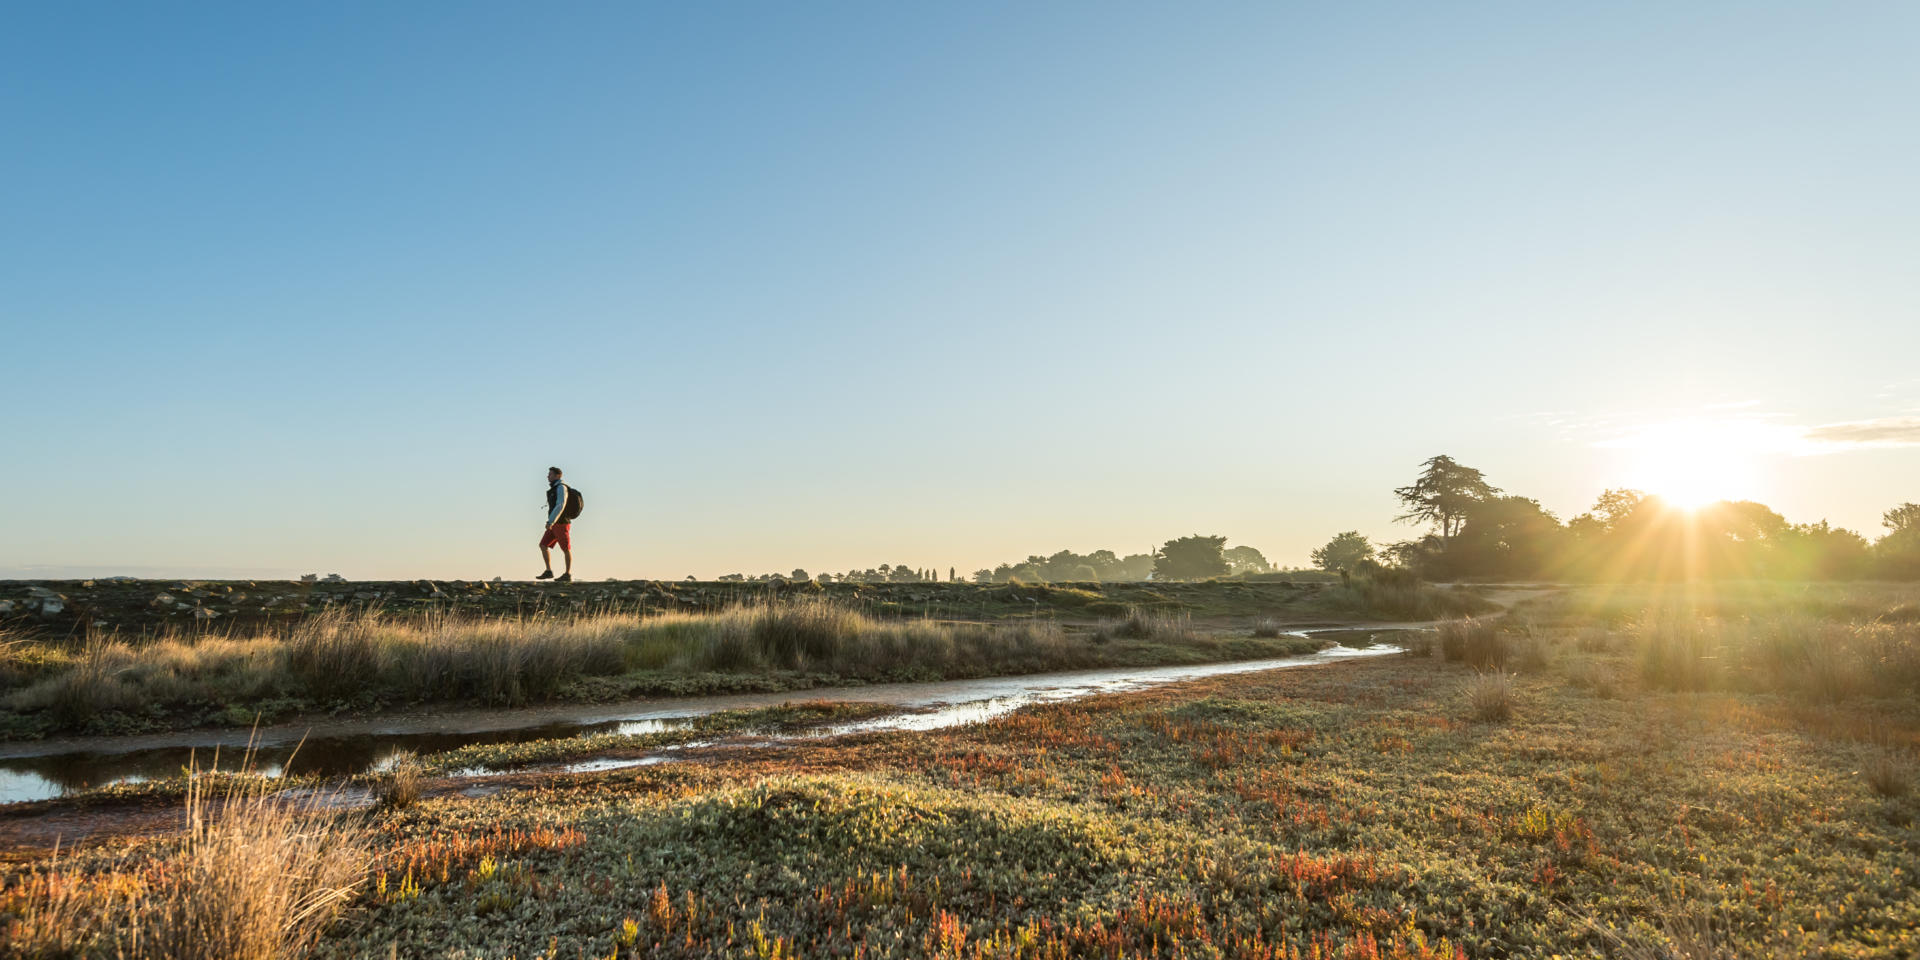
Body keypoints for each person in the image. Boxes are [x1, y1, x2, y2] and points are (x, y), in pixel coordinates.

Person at [538, 466, 574, 581]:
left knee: (565, 549)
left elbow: (560, 505)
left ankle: (567, 574)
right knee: (543, 545)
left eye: (550, 474)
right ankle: (548, 571)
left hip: (561, 523)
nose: (548, 476)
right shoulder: (554, 488)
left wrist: (551, 521)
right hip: (554, 524)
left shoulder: (561, 488)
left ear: (558, 476)